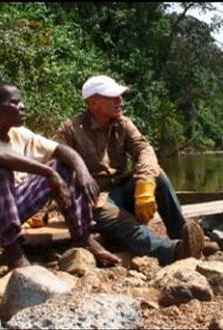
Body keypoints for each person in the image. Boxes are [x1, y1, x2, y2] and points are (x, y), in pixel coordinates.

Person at [0, 79, 120, 269]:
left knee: (64, 165)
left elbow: (61, 150)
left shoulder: (19, 133)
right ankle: (14, 254)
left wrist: (83, 172)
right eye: (15, 103)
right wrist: (48, 172)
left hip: (9, 210)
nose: (23, 107)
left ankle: (82, 237)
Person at [54, 75, 211, 266]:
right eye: (112, 97)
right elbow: (55, 165)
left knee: (157, 176)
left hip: (119, 190)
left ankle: (184, 236)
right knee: (120, 219)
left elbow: (144, 150)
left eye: (119, 96)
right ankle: (175, 251)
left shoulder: (123, 124)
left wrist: (145, 184)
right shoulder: (69, 130)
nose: (119, 101)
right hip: (93, 201)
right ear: (92, 102)